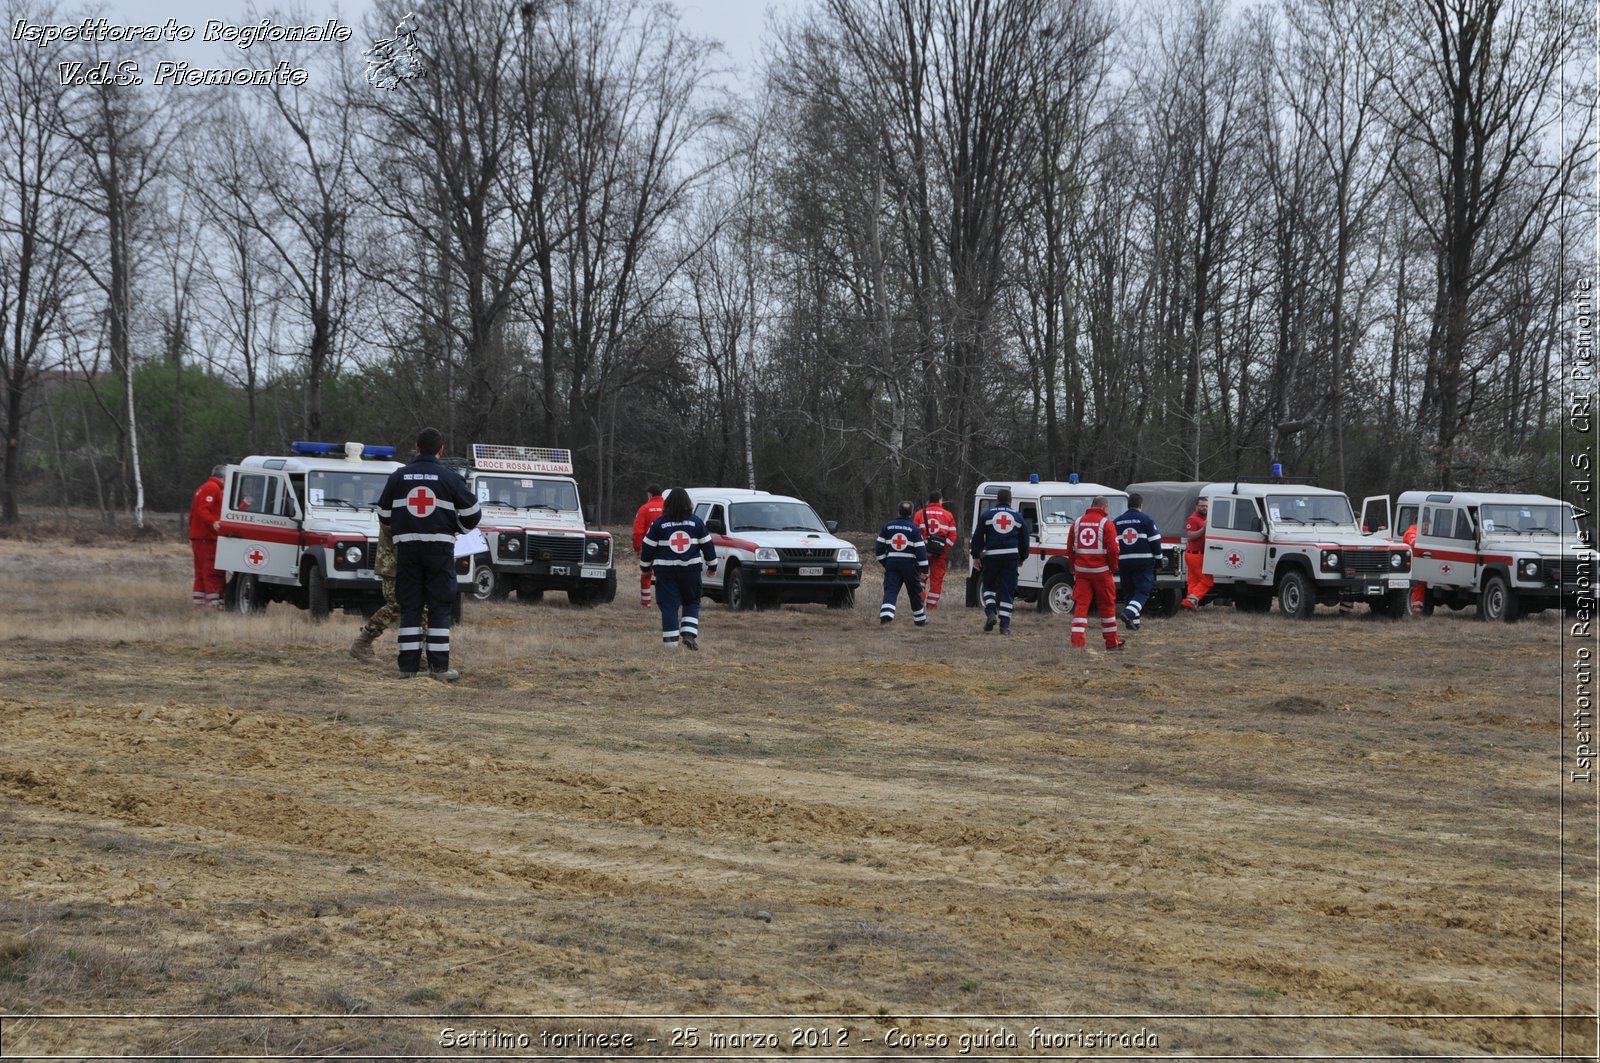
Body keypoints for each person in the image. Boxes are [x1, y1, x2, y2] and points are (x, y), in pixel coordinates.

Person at [377, 427, 481, 681]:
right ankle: (439, 669)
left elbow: (383, 514)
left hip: (408, 550)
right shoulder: (450, 478)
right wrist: (455, 529)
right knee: (440, 606)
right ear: (441, 450)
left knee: (410, 606)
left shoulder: (398, 477)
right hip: (439, 551)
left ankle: (407, 669)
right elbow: (473, 513)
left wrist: (404, 528)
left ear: (417, 447)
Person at [640, 487, 717, 650]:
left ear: (667, 504)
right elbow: (708, 546)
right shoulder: (696, 522)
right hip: (691, 571)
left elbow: (647, 548)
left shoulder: (659, 524)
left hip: (665, 572)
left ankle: (671, 644)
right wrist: (712, 565)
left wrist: (645, 568)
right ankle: (689, 633)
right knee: (692, 601)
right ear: (687, 504)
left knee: (669, 605)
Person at [1068, 495, 1125, 650]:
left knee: (1081, 606)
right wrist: (1113, 568)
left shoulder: (1077, 523)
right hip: (1101, 572)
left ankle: (1077, 642)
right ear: (1104, 507)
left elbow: (1070, 549)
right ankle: (1111, 642)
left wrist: (1074, 568)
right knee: (1107, 606)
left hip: (1082, 572)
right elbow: (1113, 550)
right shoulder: (1107, 524)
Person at [970, 486, 1030, 634]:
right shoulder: (1018, 517)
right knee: (1007, 590)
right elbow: (1025, 539)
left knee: (988, 586)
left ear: (997, 500)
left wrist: (976, 555)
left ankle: (990, 612)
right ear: (1011, 500)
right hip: (1010, 557)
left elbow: (978, 537)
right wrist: (1022, 557)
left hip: (992, 556)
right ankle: (1004, 626)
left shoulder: (987, 515)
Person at [348, 524, 398, 661]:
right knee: (396, 605)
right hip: (393, 562)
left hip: (412, 563)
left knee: (423, 607)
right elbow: (390, 525)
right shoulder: (395, 503)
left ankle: (420, 653)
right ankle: (363, 642)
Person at [875, 501, 930, 626]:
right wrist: (925, 569)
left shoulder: (887, 527)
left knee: (890, 590)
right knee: (914, 592)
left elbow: (878, 548)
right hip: (910, 566)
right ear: (911, 513)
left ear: (898, 512)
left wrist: (886, 562)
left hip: (892, 564)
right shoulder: (914, 529)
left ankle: (886, 617)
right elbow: (921, 551)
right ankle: (920, 620)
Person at [1112, 493, 1160, 630]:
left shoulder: (1117, 521)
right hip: (1143, 561)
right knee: (1143, 591)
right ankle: (1129, 613)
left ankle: (1134, 623)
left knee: (1130, 591)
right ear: (1141, 505)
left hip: (1124, 561)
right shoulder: (1146, 519)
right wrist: (1159, 559)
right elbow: (1155, 541)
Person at [187, 465, 226, 609]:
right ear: (223, 477)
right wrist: (213, 523)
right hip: (206, 537)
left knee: (201, 569)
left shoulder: (204, 487)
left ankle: (200, 602)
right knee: (211, 570)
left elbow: (195, 513)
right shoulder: (212, 488)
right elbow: (203, 510)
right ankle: (213, 603)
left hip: (200, 536)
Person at [914, 491, 958, 610]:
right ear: (940, 500)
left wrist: (919, 549)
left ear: (928, 501)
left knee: (920, 577)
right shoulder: (948, 515)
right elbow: (953, 536)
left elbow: (914, 534)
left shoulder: (919, 514)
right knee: (936, 580)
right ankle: (932, 605)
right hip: (940, 554)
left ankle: (920, 600)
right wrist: (943, 549)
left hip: (922, 551)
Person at [632, 484, 666, 608]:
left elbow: (638, 532)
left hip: (649, 547)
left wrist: (637, 548)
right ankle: (665, 601)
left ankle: (646, 602)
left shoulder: (644, 509)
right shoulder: (669, 507)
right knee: (665, 575)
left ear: (650, 494)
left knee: (646, 574)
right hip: (668, 547)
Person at [1180, 496, 1213, 609]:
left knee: (1193, 581)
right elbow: (1190, 535)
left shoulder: (1204, 518)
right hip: (1196, 554)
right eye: (1202, 506)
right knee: (1207, 581)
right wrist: (1203, 529)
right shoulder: (1193, 519)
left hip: (1196, 554)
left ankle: (1189, 603)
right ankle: (1191, 601)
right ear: (1196, 506)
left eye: (1206, 506)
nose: (1205, 508)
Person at [1403, 519, 1428, 616]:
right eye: (1425, 525)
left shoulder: (1419, 533)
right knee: (1417, 586)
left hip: (1418, 565)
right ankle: (1415, 610)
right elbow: (1414, 543)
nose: (1426, 528)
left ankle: (1417, 609)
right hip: (1412, 566)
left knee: (1420, 585)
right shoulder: (1411, 532)